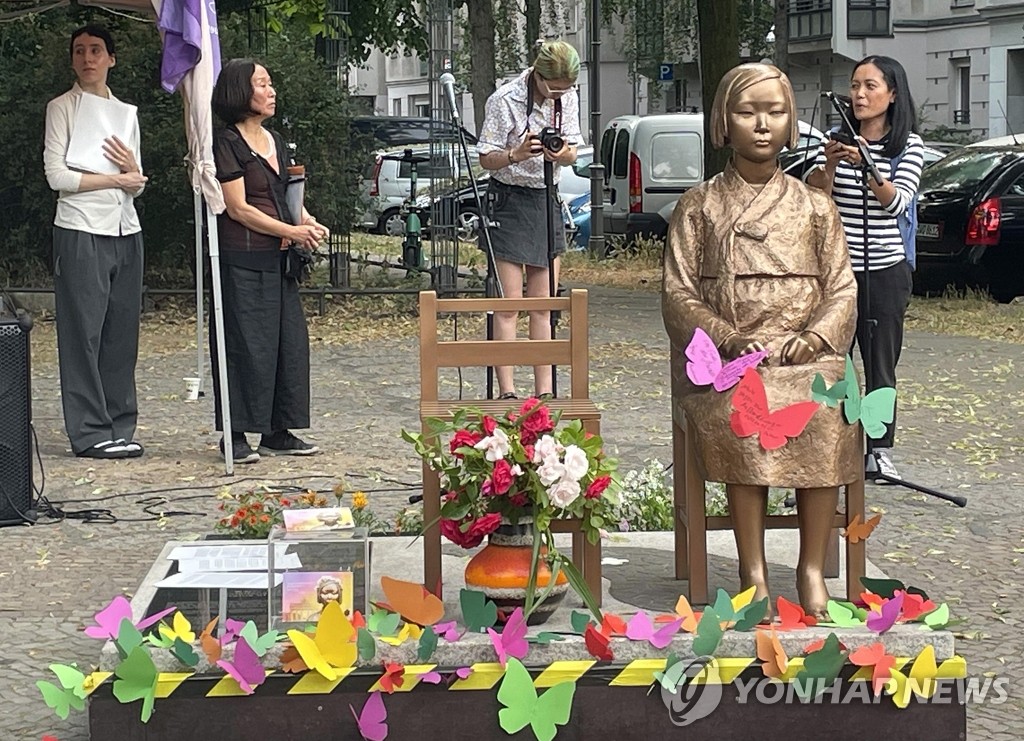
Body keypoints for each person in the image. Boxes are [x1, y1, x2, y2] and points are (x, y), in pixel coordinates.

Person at [662, 63, 860, 617]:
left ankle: (811, 566)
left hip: (803, 355)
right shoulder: (698, 206)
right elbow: (678, 295)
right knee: (746, 410)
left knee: (826, 409)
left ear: (791, 120)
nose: (762, 124)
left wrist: (817, 334)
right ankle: (753, 568)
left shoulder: (816, 206)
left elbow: (842, 287)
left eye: (774, 112)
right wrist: (725, 337)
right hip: (733, 359)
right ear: (724, 122)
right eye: (748, 113)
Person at [806, 56, 925, 483]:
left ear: (893, 94)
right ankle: (827, 441)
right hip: (838, 272)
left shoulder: (909, 145)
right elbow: (817, 197)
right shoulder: (838, 139)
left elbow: (896, 202)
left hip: (885, 270)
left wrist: (866, 164)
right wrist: (834, 164)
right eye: (854, 85)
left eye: (870, 86)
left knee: (880, 362)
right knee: (831, 360)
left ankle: (879, 450)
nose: (859, 95)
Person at [210, 59, 328, 463]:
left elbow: (285, 195)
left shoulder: (274, 139)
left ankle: (278, 430)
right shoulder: (227, 142)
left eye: (270, 82)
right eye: (262, 83)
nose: (271, 90)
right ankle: (236, 433)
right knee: (246, 346)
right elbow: (238, 207)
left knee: (287, 344)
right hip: (243, 258)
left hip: (280, 260)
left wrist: (307, 221)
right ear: (240, 92)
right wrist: (291, 232)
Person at [43, 25, 148, 460]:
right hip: (80, 228)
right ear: (72, 60)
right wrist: (114, 177)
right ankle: (88, 431)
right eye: (80, 51)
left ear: (111, 59)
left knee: (121, 334)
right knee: (83, 333)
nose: (88, 58)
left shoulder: (126, 112)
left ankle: (119, 424)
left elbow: (136, 184)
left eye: (96, 50)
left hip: (125, 228)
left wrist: (130, 171)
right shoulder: (61, 108)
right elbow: (58, 177)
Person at [476, 40, 583, 400]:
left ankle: (544, 393)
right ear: (537, 75)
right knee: (509, 303)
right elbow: (485, 158)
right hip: (509, 198)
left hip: (545, 198)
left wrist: (563, 153)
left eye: (565, 90)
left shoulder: (567, 97)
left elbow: (572, 153)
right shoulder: (504, 99)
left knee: (544, 302)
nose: (559, 95)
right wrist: (515, 154)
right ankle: (507, 391)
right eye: (553, 88)